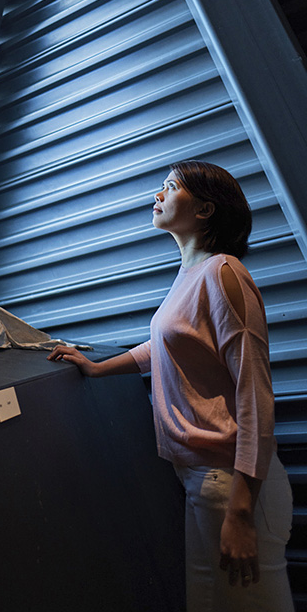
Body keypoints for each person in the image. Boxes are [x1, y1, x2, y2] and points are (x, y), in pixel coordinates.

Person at [49, 159, 294, 611]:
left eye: (170, 186)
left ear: (203, 209)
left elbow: (254, 392)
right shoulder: (192, 274)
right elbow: (164, 347)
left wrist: (241, 511)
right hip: (201, 480)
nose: (157, 195)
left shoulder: (223, 272)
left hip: (232, 485)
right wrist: (97, 368)